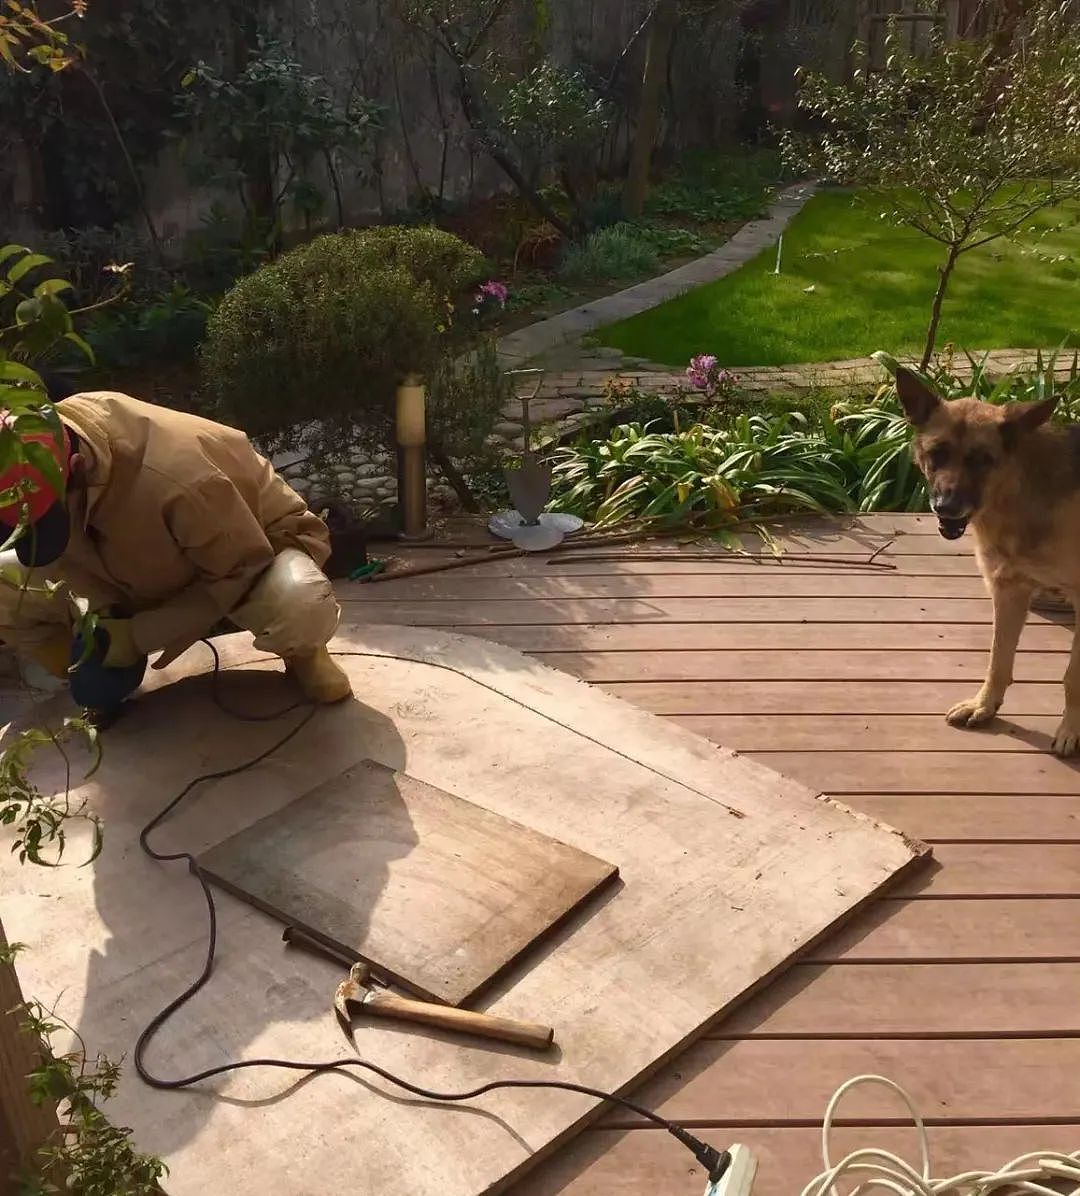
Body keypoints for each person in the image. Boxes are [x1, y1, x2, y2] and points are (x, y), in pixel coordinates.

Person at [0, 388, 352, 718]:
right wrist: (98, 615)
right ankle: (84, 675)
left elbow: (239, 572)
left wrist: (137, 636)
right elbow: (62, 548)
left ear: (76, 467)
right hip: (131, 568)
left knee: (300, 603)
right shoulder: (51, 442)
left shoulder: (181, 478)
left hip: (248, 555)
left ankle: (304, 654)